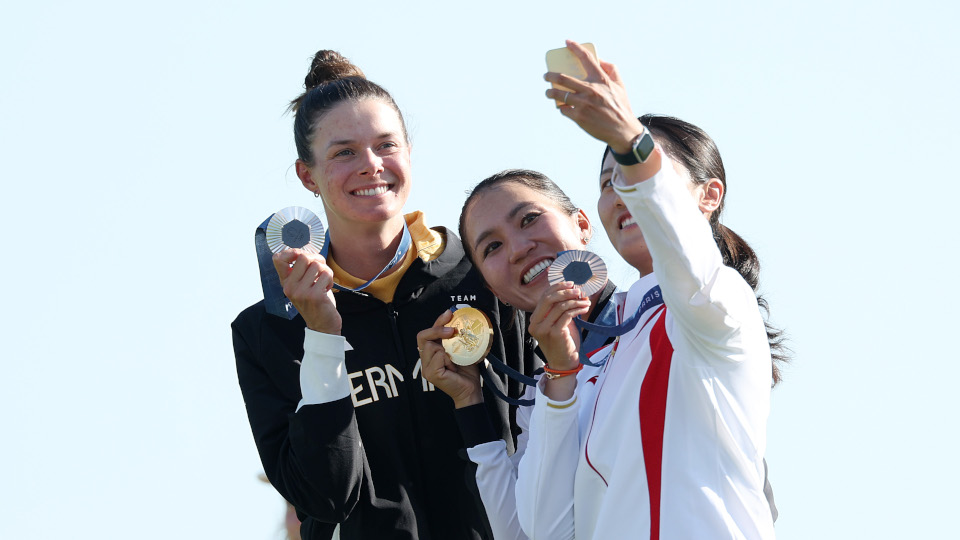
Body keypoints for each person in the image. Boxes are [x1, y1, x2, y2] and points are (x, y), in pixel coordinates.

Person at [232, 50, 536, 540]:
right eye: (343, 152)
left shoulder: (485, 280)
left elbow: (552, 443)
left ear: (409, 153)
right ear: (307, 175)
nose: (371, 166)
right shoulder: (270, 329)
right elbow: (325, 497)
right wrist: (323, 338)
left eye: (385, 145)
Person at [511, 41, 787, 539]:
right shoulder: (602, 347)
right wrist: (559, 373)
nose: (619, 190)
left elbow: (685, 258)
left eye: (631, 173)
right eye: (606, 181)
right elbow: (546, 526)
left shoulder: (715, 301)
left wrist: (628, 140)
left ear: (709, 196)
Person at [417, 169, 619, 540]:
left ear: (582, 224)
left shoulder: (653, 322)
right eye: (491, 247)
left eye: (529, 219)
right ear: (496, 291)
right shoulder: (535, 396)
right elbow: (522, 532)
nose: (518, 248)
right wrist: (470, 401)